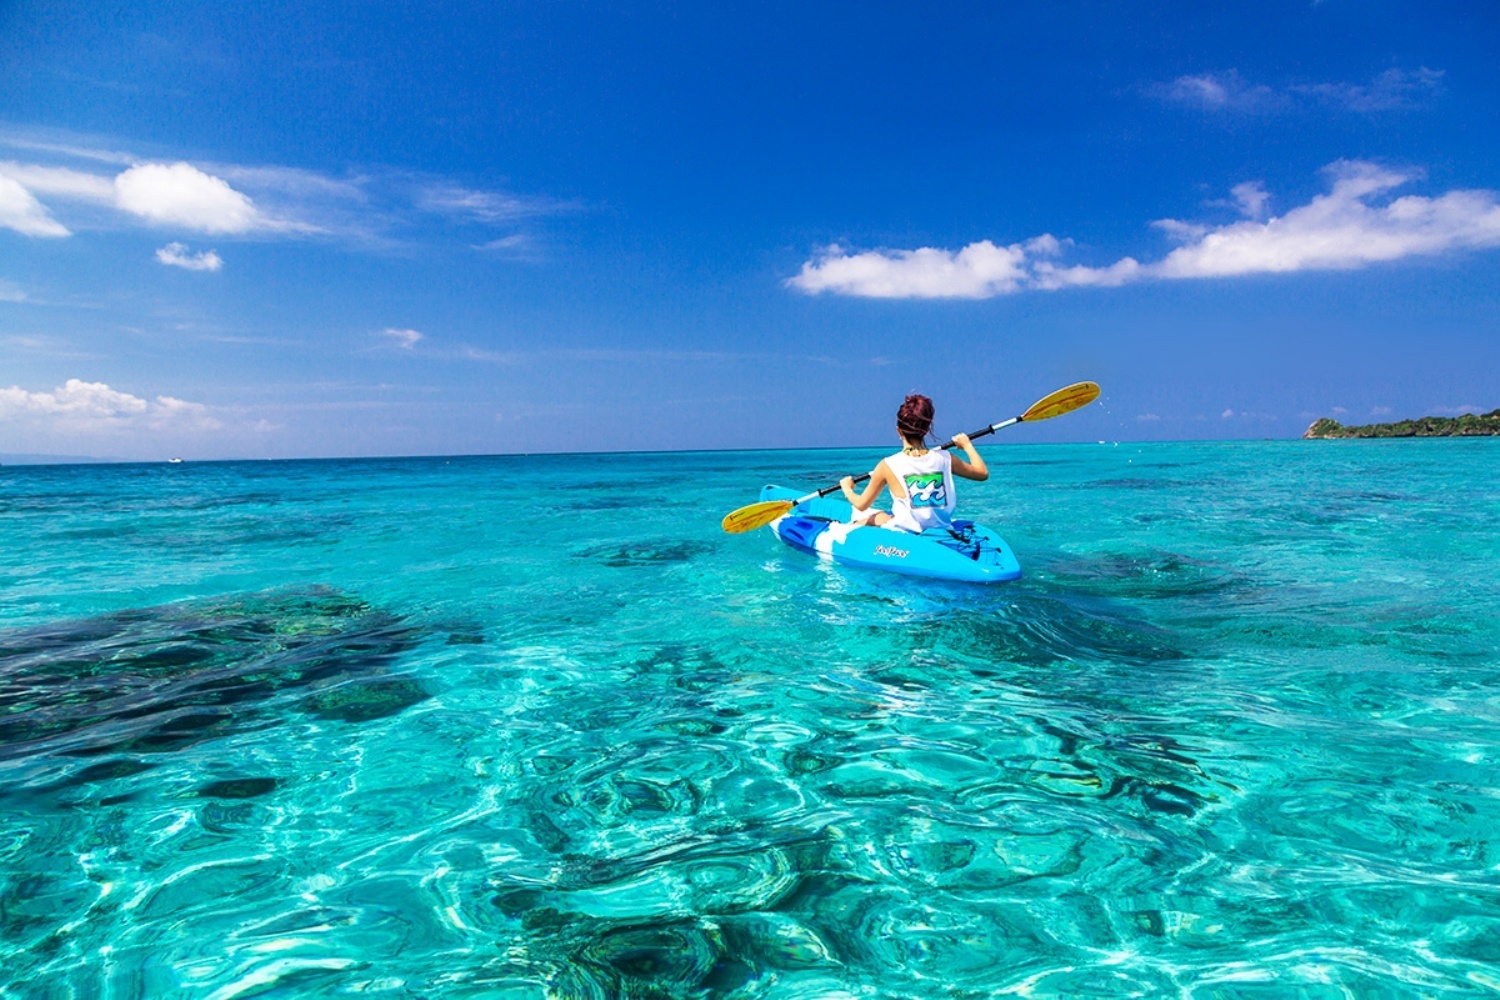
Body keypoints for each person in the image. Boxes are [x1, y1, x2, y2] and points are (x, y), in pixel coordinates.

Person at [840, 394, 988, 533]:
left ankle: (846, 528)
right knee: (880, 516)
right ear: (926, 430)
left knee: (874, 518)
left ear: (899, 431)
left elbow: (861, 504)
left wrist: (847, 489)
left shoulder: (887, 465)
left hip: (906, 533)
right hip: (941, 527)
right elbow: (982, 474)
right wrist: (967, 445)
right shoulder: (946, 458)